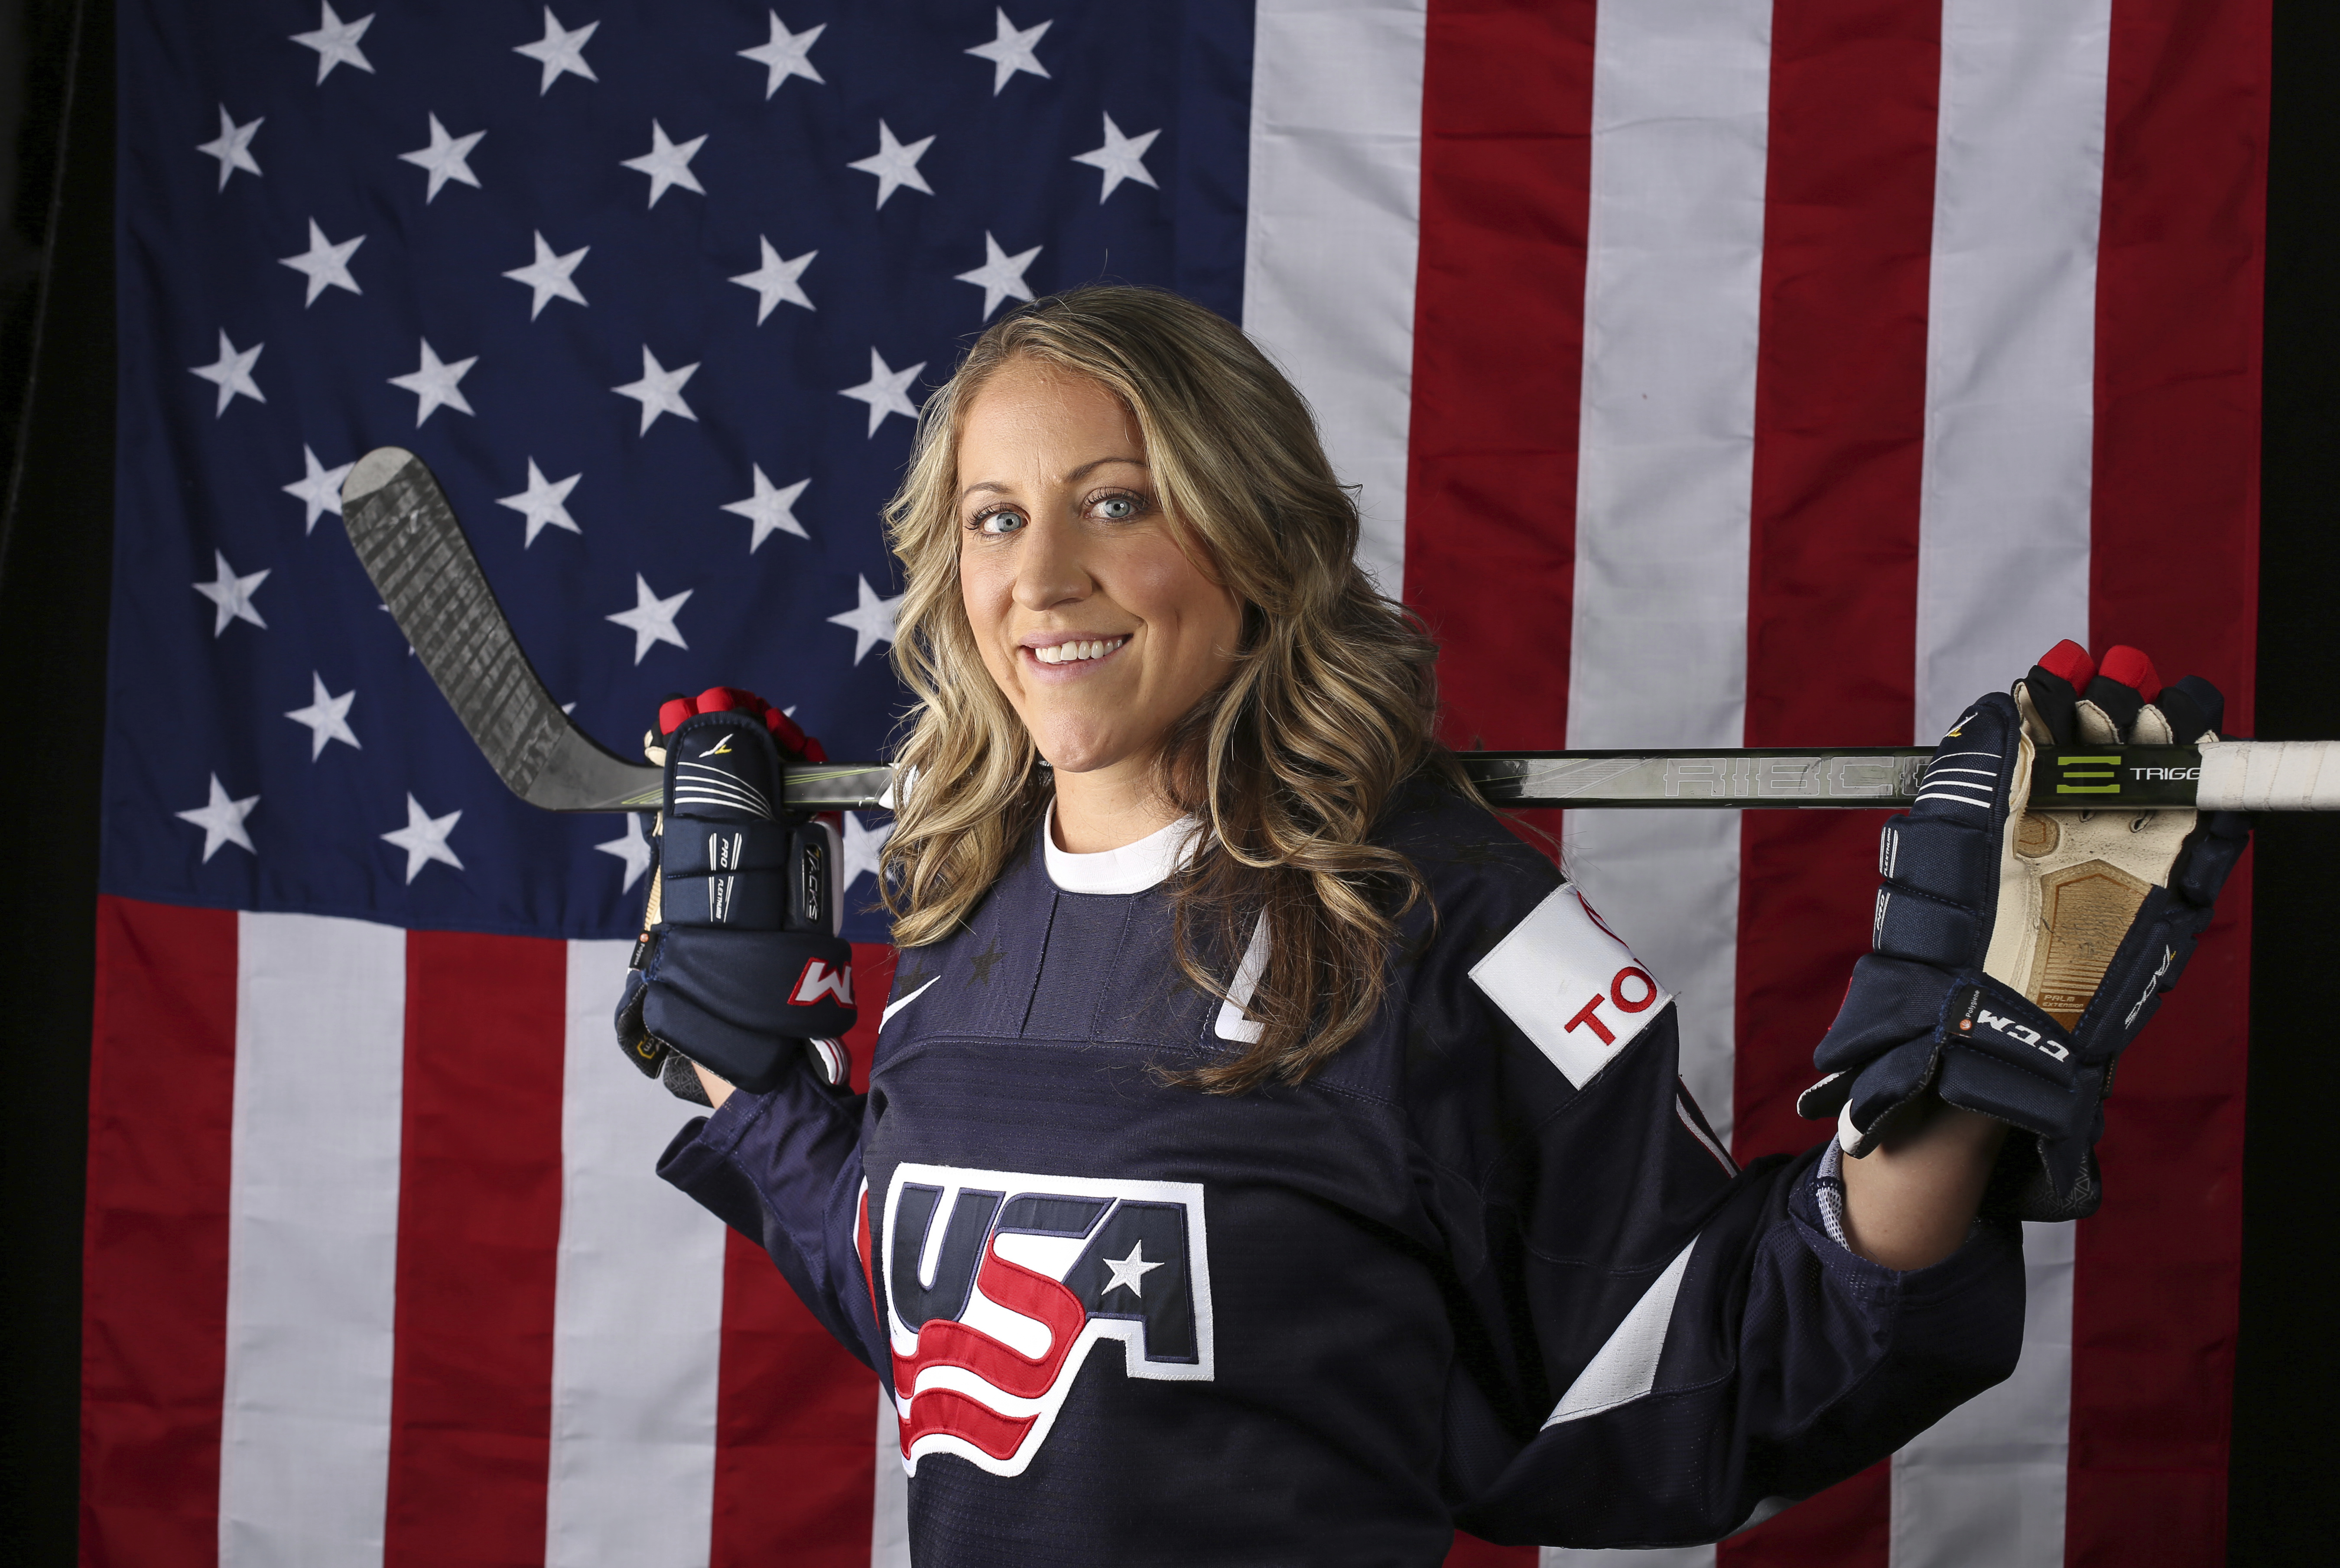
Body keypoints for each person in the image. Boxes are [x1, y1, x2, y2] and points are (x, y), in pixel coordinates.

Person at [613, 286, 2247, 1563]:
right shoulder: (962, 903)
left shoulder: (1433, 915)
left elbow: (1726, 1355)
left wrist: (1956, 1081)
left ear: (1250, 539)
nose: (1040, 575)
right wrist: (746, 1084)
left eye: (1116, 502)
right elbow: (965, 1331)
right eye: (993, 513)